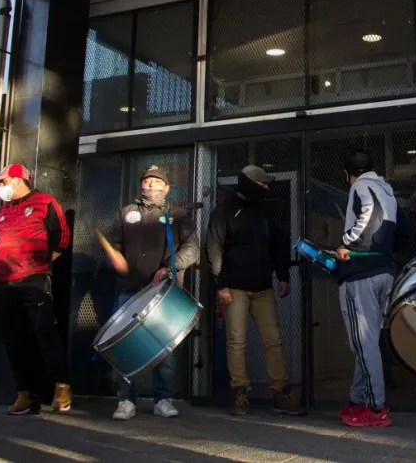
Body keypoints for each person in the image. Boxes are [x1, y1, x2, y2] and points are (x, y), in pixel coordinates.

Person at [97, 165, 200, 420]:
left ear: (167, 188)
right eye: (147, 180)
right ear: (141, 185)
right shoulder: (126, 213)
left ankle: (163, 399)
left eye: (157, 181)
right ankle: (126, 401)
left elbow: (192, 248)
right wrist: (114, 258)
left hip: (163, 291)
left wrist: (170, 267)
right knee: (125, 348)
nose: (151, 185)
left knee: (163, 347)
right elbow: (113, 245)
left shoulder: (178, 214)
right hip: (128, 289)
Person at [207, 165, 304, 417]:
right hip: (234, 288)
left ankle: (280, 392)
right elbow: (214, 247)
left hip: (263, 288)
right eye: (262, 184)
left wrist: (283, 275)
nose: (267, 188)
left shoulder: (264, 211)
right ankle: (240, 393)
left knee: (273, 340)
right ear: (249, 184)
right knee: (236, 341)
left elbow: (278, 243)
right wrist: (221, 284)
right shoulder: (224, 211)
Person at [0, 163, 73, 415]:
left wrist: (43, 264)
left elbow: (62, 236)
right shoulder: (1, 212)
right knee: (12, 339)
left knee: (45, 332)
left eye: (4, 182)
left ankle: (61, 386)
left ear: (18, 180)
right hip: (2, 281)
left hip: (33, 279)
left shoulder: (44, 201)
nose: (1, 187)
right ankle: (25, 392)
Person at [334, 151, 397, 428]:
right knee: (368, 341)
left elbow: (369, 214)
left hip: (360, 272)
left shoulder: (360, 186)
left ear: (347, 174)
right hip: (384, 270)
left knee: (363, 341)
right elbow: (403, 228)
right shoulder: (388, 189)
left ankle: (375, 407)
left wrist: (347, 243)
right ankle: (358, 400)